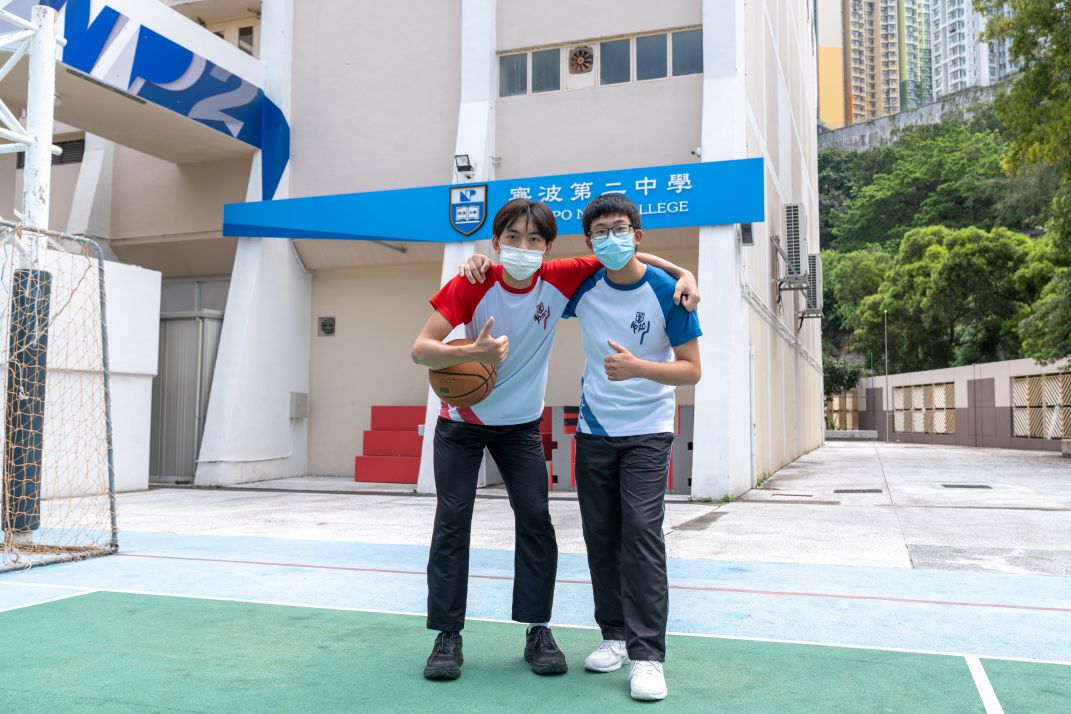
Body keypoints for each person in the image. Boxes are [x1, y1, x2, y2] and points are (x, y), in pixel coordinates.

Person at [412, 197, 699, 681]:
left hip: (521, 426)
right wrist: (470, 352)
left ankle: (537, 628)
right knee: (452, 522)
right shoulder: (472, 282)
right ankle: (447, 635)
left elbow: (628, 258)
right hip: (462, 424)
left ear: (547, 247)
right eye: (512, 238)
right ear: (496, 242)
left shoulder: (561, 277)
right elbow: (421, 349)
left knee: (536, 522)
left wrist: (684, 272)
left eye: (533, 240)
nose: (522, 247)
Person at [564, 194, 702, 701]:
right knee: (600, 536)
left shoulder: (668, 292)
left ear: (637, 235)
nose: (611, 239)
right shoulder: (583, 285)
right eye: (600, 232)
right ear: (589, 242)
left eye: (620, 229)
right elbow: (525, 275)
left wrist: (639, 367)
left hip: (648, 430)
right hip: (595, 429)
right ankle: (614, 636)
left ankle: (648, 657)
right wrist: (474, 265)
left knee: (641, 533)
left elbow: (692, 369)